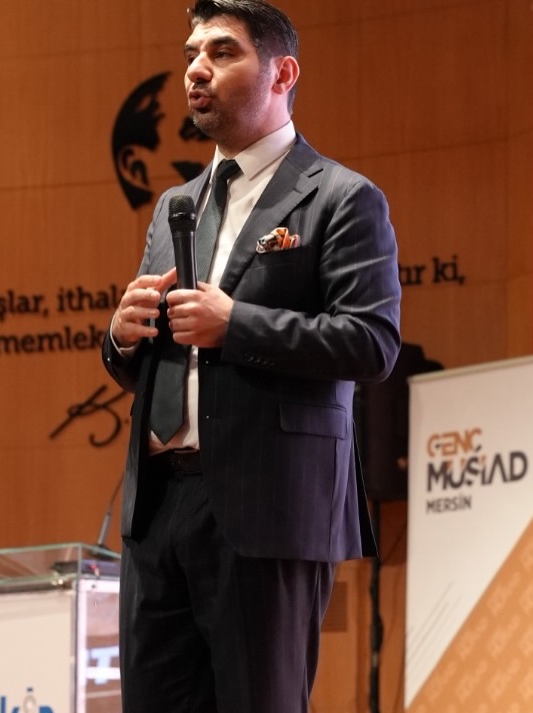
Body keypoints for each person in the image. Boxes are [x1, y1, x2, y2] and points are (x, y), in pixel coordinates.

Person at [102, 1, 401, 710]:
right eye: (191, 55)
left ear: (282, 74)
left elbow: (372, 343)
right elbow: (150, 361)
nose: (196, 70)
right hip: (159, 508)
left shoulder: (340, 198)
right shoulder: (176, 205)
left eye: (222, 52)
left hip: (267, 509)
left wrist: (237, 325)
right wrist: (121, 336)